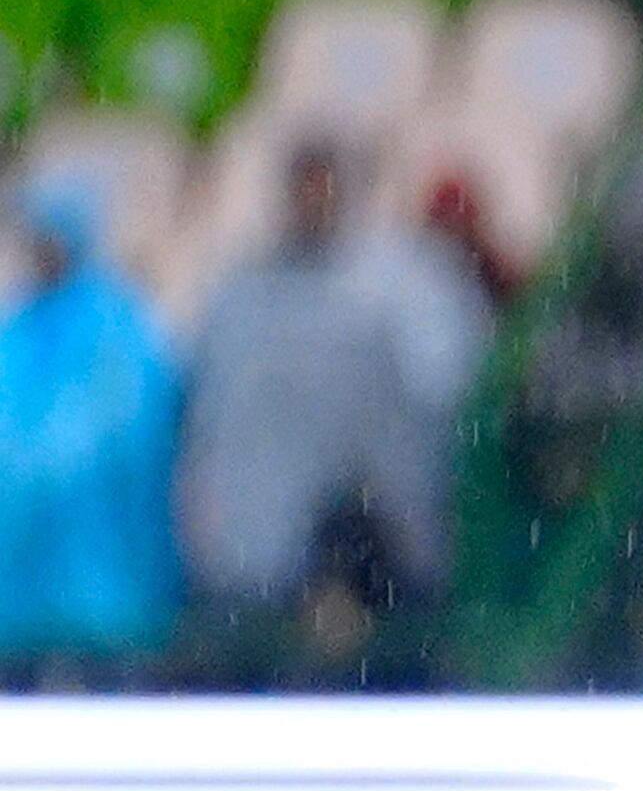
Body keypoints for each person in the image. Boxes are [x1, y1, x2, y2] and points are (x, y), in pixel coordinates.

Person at [174, 145, 459, 689]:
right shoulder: (242, 296)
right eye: (301, 188)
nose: (312, 202)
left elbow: (437, 403)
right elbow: (208, 420)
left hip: (377, 565)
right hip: (257, 568)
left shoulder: (401, 292)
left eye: (323, 186)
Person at [0, 179, 178, 685]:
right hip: (20, 605)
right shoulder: (17, 330)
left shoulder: (120, 326)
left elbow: (133, 440)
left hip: (109, 600)